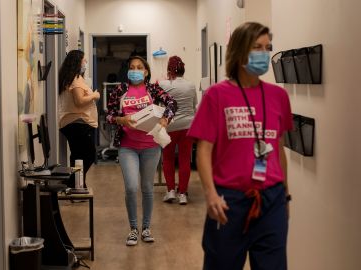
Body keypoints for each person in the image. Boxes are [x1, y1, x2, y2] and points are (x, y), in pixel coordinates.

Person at [187, 22, 293, 269]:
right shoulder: (217, 95)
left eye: (268, 48)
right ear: (239, 50)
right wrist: (210, 193)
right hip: (229, 201)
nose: (263, 54)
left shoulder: (279, 96)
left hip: (272, 199)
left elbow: (279, 149)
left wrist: (285, 196)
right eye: (257, 47)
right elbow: (204, 150)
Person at [106, 56, 177, 246]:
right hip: (127, 146)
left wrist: (165, 119)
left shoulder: (153, 89)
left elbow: (172, 104)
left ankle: (146, 228)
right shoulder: (120, 90)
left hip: (150, 147)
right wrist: (121, 120)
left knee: (147, 188)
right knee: (131, 187)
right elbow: (109, 115)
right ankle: (133, 229)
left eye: (139, 67)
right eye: (132, 67)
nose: (135, 70)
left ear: (145, 72)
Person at [159, 56, 198, 205]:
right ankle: (183, 193)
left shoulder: (163, 84)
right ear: (183, 69)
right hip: (188, 126)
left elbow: (158, 104)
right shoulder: (191, 85)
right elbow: (195, 105)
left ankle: (170, 191)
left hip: (169, 126)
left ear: (169, 69)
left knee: (168, 158)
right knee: (184, 160)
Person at [58, 50, 100, 187]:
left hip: (74, 123)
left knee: (77, 156)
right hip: (77, 123)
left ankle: (78, 184)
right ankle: (73, 182)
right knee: (89, 154)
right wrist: (94, 95)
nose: (86, 63)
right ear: (77, 62)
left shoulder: (70, 77)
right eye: (84, 60)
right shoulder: (75, 79)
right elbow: (79, 101)